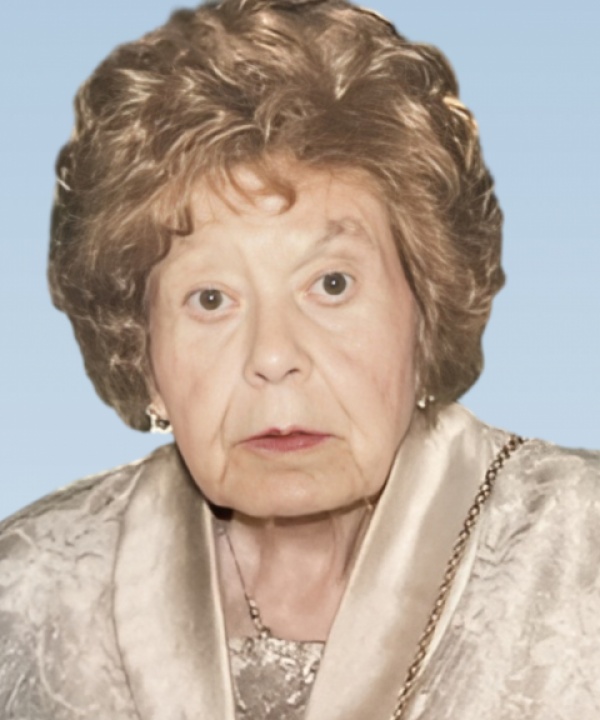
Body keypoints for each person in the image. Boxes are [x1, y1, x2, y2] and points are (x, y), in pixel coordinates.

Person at [0, 0, 598, 718]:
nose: (274, 356)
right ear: (143, 352)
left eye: (332, 284)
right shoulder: (28, 590)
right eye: (211, 299)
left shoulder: (581, 548)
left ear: (427, 311)